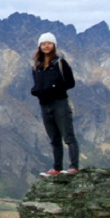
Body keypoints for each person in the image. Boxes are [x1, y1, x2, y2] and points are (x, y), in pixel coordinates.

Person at [30, 32, 80, 177]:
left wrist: (54, 88)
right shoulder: (37, 66)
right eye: (43, 43)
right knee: (54, 139)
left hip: (60, 104)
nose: (46, 46)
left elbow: (70, 82)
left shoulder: (60, 63)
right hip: (45, 106)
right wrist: (35, 91)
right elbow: (37, 84)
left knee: (68, 136)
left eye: (49, 43)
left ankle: (74, 167)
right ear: (39, 46)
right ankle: (57, 168)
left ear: (54, 46)